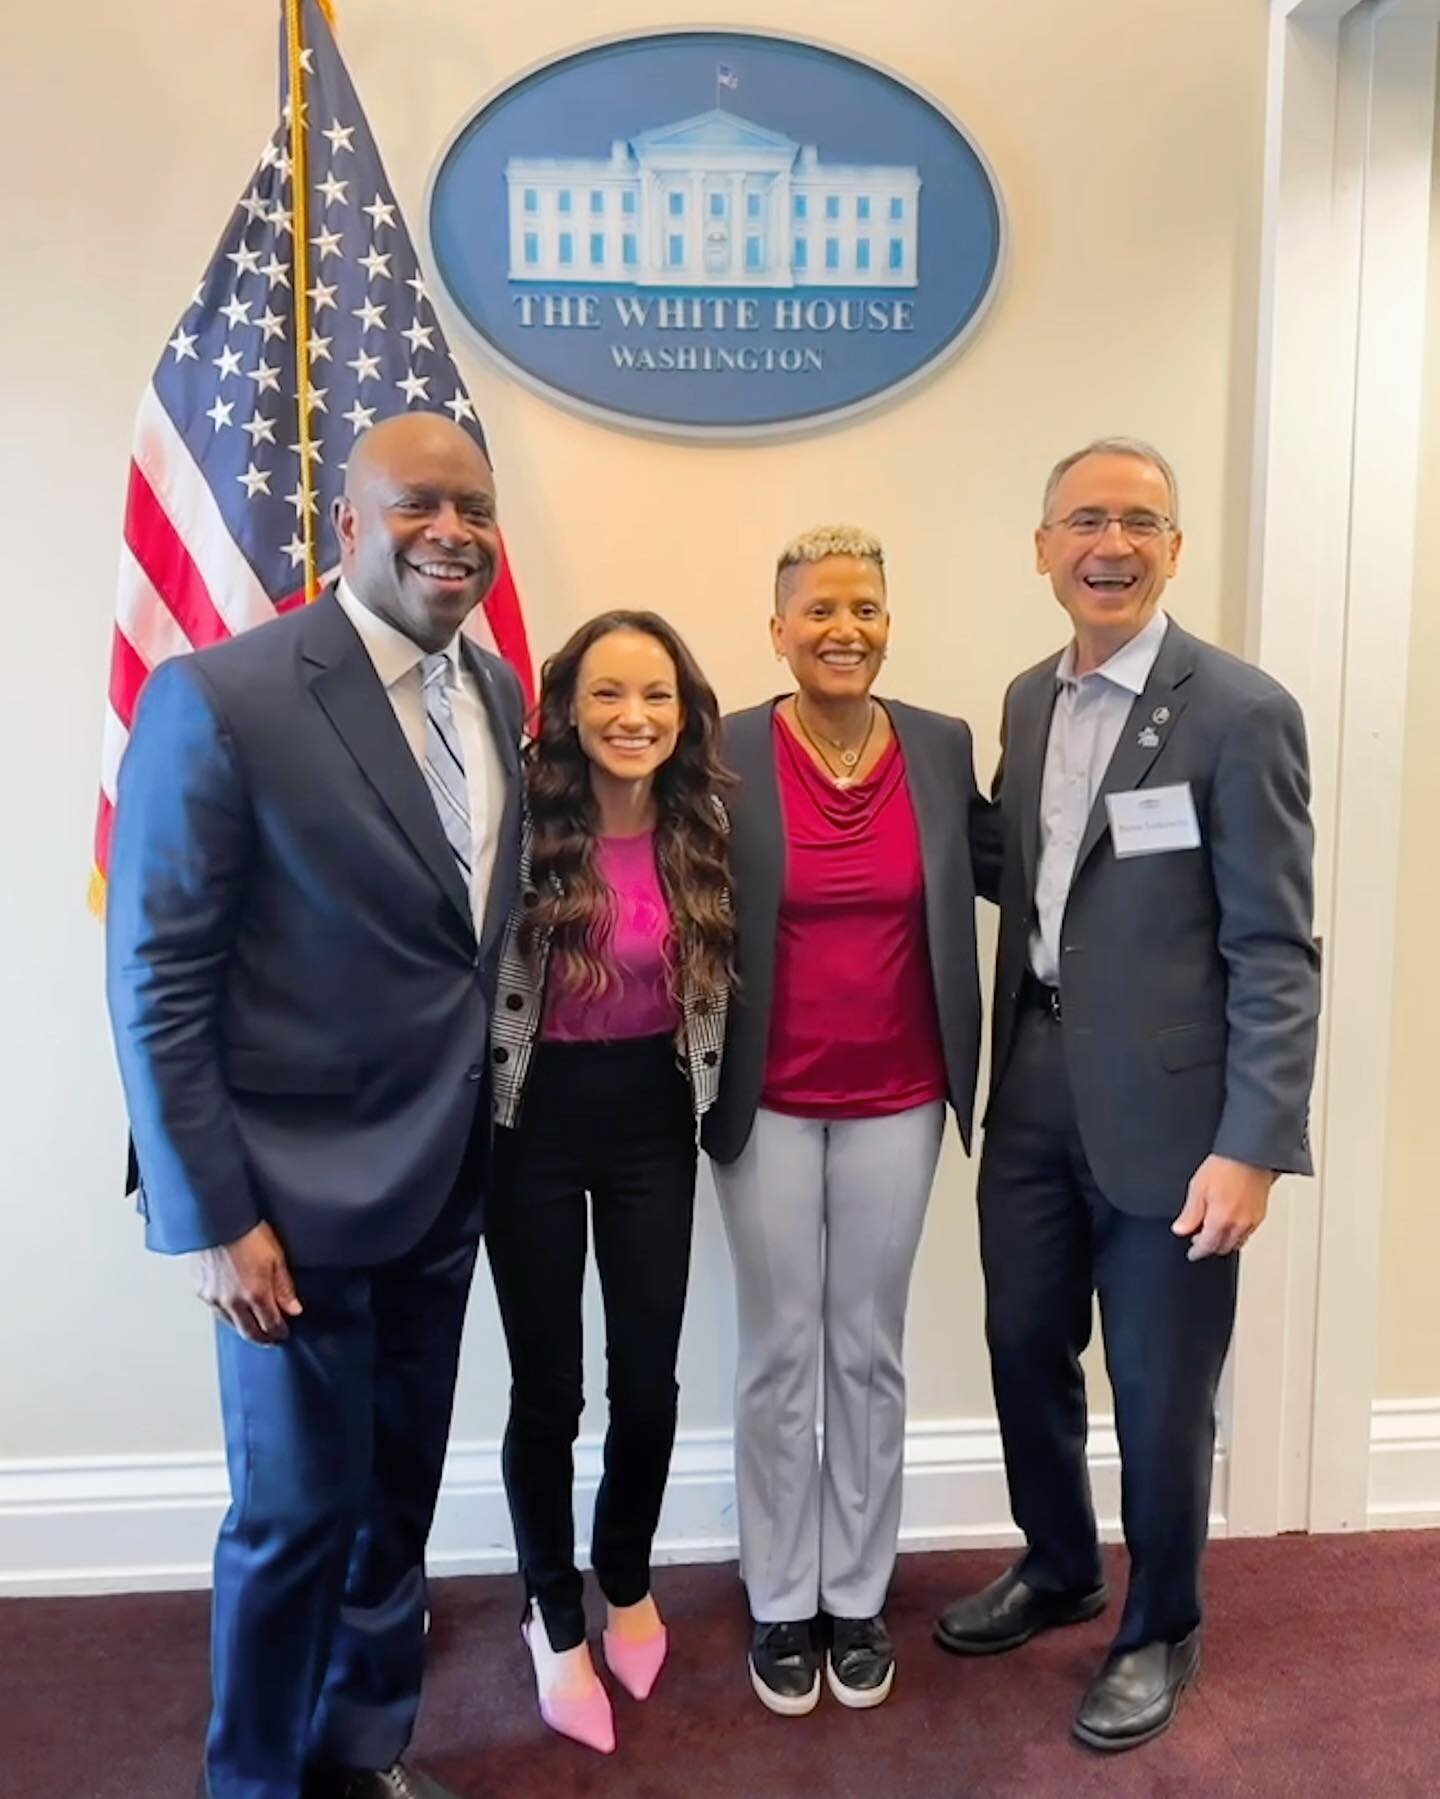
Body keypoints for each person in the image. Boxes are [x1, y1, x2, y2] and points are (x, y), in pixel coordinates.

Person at [105, 414, 525, 1799]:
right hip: (284, 1204)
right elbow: (158, 973)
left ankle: (363, 1753)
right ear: (350, 522)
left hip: (443, 1180)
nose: (451, 530)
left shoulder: (499, 697)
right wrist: (215, 1213)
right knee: (293, 1517)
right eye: (419, 504)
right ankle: (259, 1784)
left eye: (473, 505)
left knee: (394, 1502)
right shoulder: (225, 695)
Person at [933, 438, 1320, 1752]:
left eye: (1139, 522)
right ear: (1042, 546)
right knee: (1021, 1342)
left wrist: (1255, 1142)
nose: (1111, 543)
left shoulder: (1239, 711)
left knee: (1160, 1381)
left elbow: (1276, 944)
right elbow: (1034, 875)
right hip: (1032, 1082)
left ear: (1174, 548)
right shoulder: (1028, 699)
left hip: (1173, 1117)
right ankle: (1058, 1562)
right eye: (1085, 519)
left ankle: (1160, 1621)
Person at [702, 526, 996, 1717]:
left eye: (866, 607)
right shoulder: (720, 749)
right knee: (780, 1348)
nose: (844, 628)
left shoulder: (937, 743)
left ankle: (857, 1589)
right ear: (776, 629)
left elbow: (1012, 864)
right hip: (766, 1096)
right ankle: (781, 1594)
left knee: (867, 1344)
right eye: (819, 608)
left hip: (898, 1093)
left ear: (888, 620)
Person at [485, 611, 733, 1755]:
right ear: (568, 707)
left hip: (650, 1120)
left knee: (649, 1378)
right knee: (550, 1391)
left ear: (683, 713)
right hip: (529, 1120)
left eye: (656, 696)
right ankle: (552, 1609)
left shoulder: (708, 824)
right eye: (607, 694)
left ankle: (624, 1574)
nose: (633, 716)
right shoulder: (519, 822)